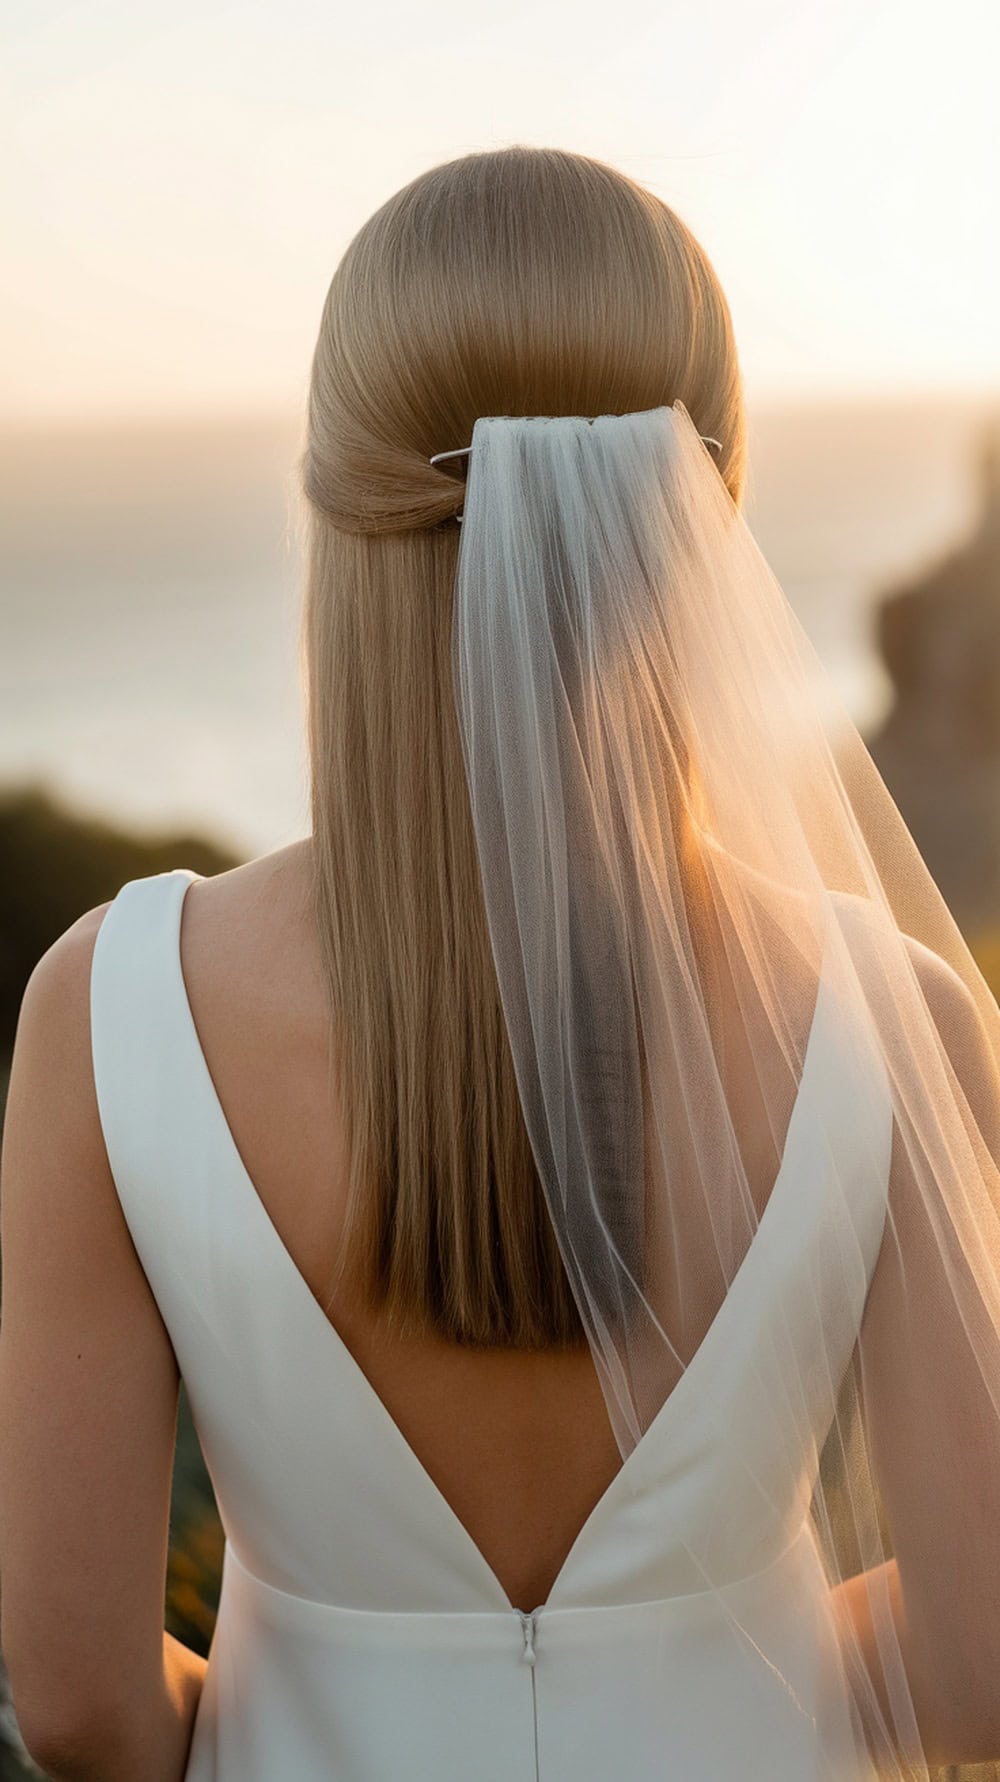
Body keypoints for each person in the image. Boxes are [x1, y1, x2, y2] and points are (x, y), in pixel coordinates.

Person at [2, 143, 1000, 1781]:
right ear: (710, 504)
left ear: (338, 504)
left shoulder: (111, 1009)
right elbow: (976, 1668)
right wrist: (698, 1666)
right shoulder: (895, 1020)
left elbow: (83, 1705)